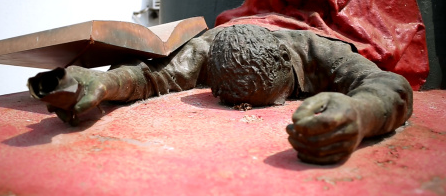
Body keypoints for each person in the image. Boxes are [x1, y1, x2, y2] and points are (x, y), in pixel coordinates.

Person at [28, 24, 412, 165]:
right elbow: (152, 77)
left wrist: (360, 115)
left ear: (285, 62)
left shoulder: (321, 52)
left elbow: (390, 86)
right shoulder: (207, 50)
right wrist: (102, 84)